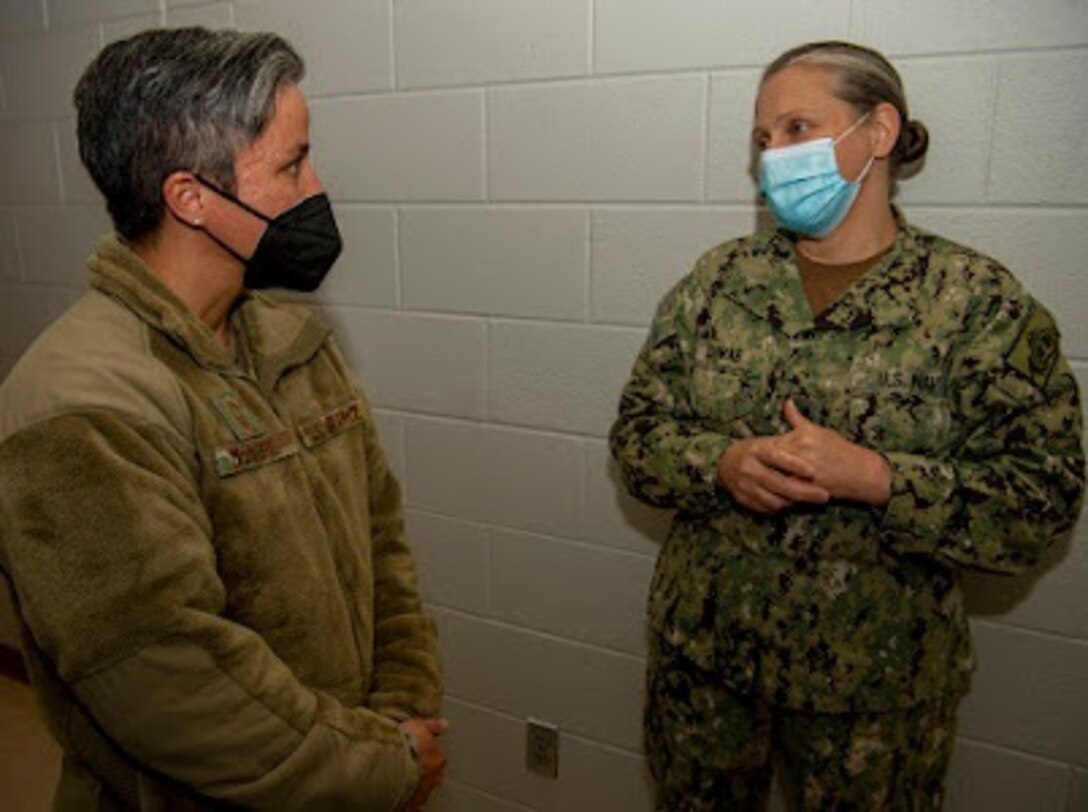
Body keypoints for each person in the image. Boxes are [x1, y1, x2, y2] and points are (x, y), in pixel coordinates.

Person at [610, 40, 1084, 812]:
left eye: (797, 128)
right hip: (708, 672)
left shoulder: (974, 302)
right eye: (762, 140)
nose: (774, 158)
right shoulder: (720, 281)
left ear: (880, 131)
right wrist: (721, 464)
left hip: (876, 694)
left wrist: (876, 478)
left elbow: (1042, 500)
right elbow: (635, 436)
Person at [0, 27, 446, 811]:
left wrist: (398, 716)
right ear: (190, 198)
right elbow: (177, 684)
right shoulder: (79, 408)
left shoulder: (292, 338)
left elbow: (383, 545)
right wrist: (378, 768)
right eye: (291, 163)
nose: (317, 186)